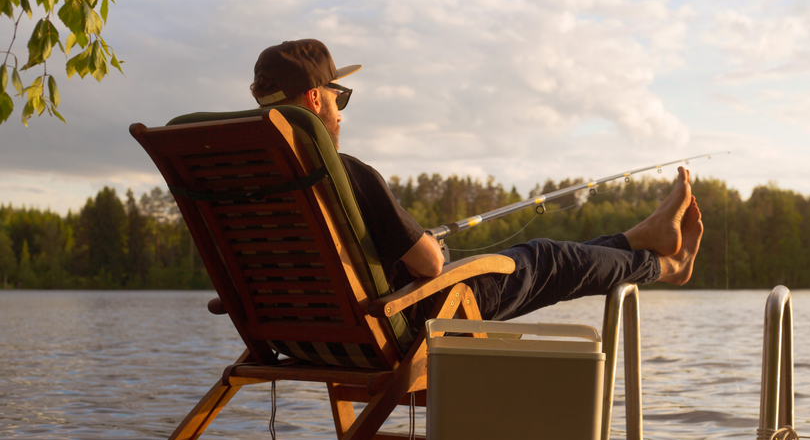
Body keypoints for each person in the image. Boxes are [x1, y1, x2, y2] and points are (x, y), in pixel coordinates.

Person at [250, 39, 703, 334]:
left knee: (547, 258)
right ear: (313, 98)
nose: (341, 111)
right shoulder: (339, 172)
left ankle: (636, 241)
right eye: (338, 96)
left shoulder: (254, 181)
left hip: (306, 330)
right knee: (548, 259)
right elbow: (428, 264)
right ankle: (665, 266)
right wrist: (426, 242)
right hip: (413, 313)